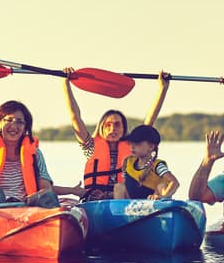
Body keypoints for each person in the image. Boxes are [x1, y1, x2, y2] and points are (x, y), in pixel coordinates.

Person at [0, 53, 57, 207]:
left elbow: (45, 187)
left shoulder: (35, 154)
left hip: (24, 208)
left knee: (49, 195)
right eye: (9, 120)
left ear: (25, 127)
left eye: (20, 122)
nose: (14, 126)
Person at [62, 68, 170, 200]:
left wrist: (162, 89)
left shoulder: (133, 147)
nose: (113, 128)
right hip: (96, 199)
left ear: (124, 128)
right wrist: (66, 84)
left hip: (123, 198)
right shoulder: (90, 146)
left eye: (117, 124)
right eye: (108, 125)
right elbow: (75, 117)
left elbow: (149, 122)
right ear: (101, 128)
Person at [112, 124, 179, 200]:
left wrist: (163, 197)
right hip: (131, 202)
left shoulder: (157, 166)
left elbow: (175, 183)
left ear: (151, 147)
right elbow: (125, 183)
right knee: (119, 186)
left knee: (162, 186)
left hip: (152, 202)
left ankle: (163, 203)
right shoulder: (128, 162)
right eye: (131, 143)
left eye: (137, 144)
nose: (132, 147)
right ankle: (119, 207)